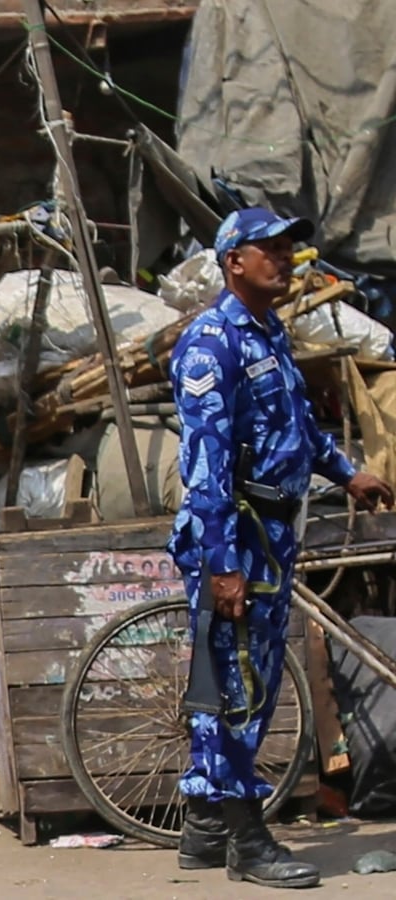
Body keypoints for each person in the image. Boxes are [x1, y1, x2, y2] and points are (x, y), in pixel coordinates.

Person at [169, 208, 394, 889]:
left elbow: (293, 428)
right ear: (233, 261)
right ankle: (247, 843)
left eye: (289, 247)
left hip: (271, 533)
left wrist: (347, 471)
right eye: (269, 249)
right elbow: (204, 467)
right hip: (235, 539)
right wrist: (224, 567)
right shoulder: (212, 344)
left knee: (233, 684)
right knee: (238, 688)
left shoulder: (268, 334)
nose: (285, 259)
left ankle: (206, 829)